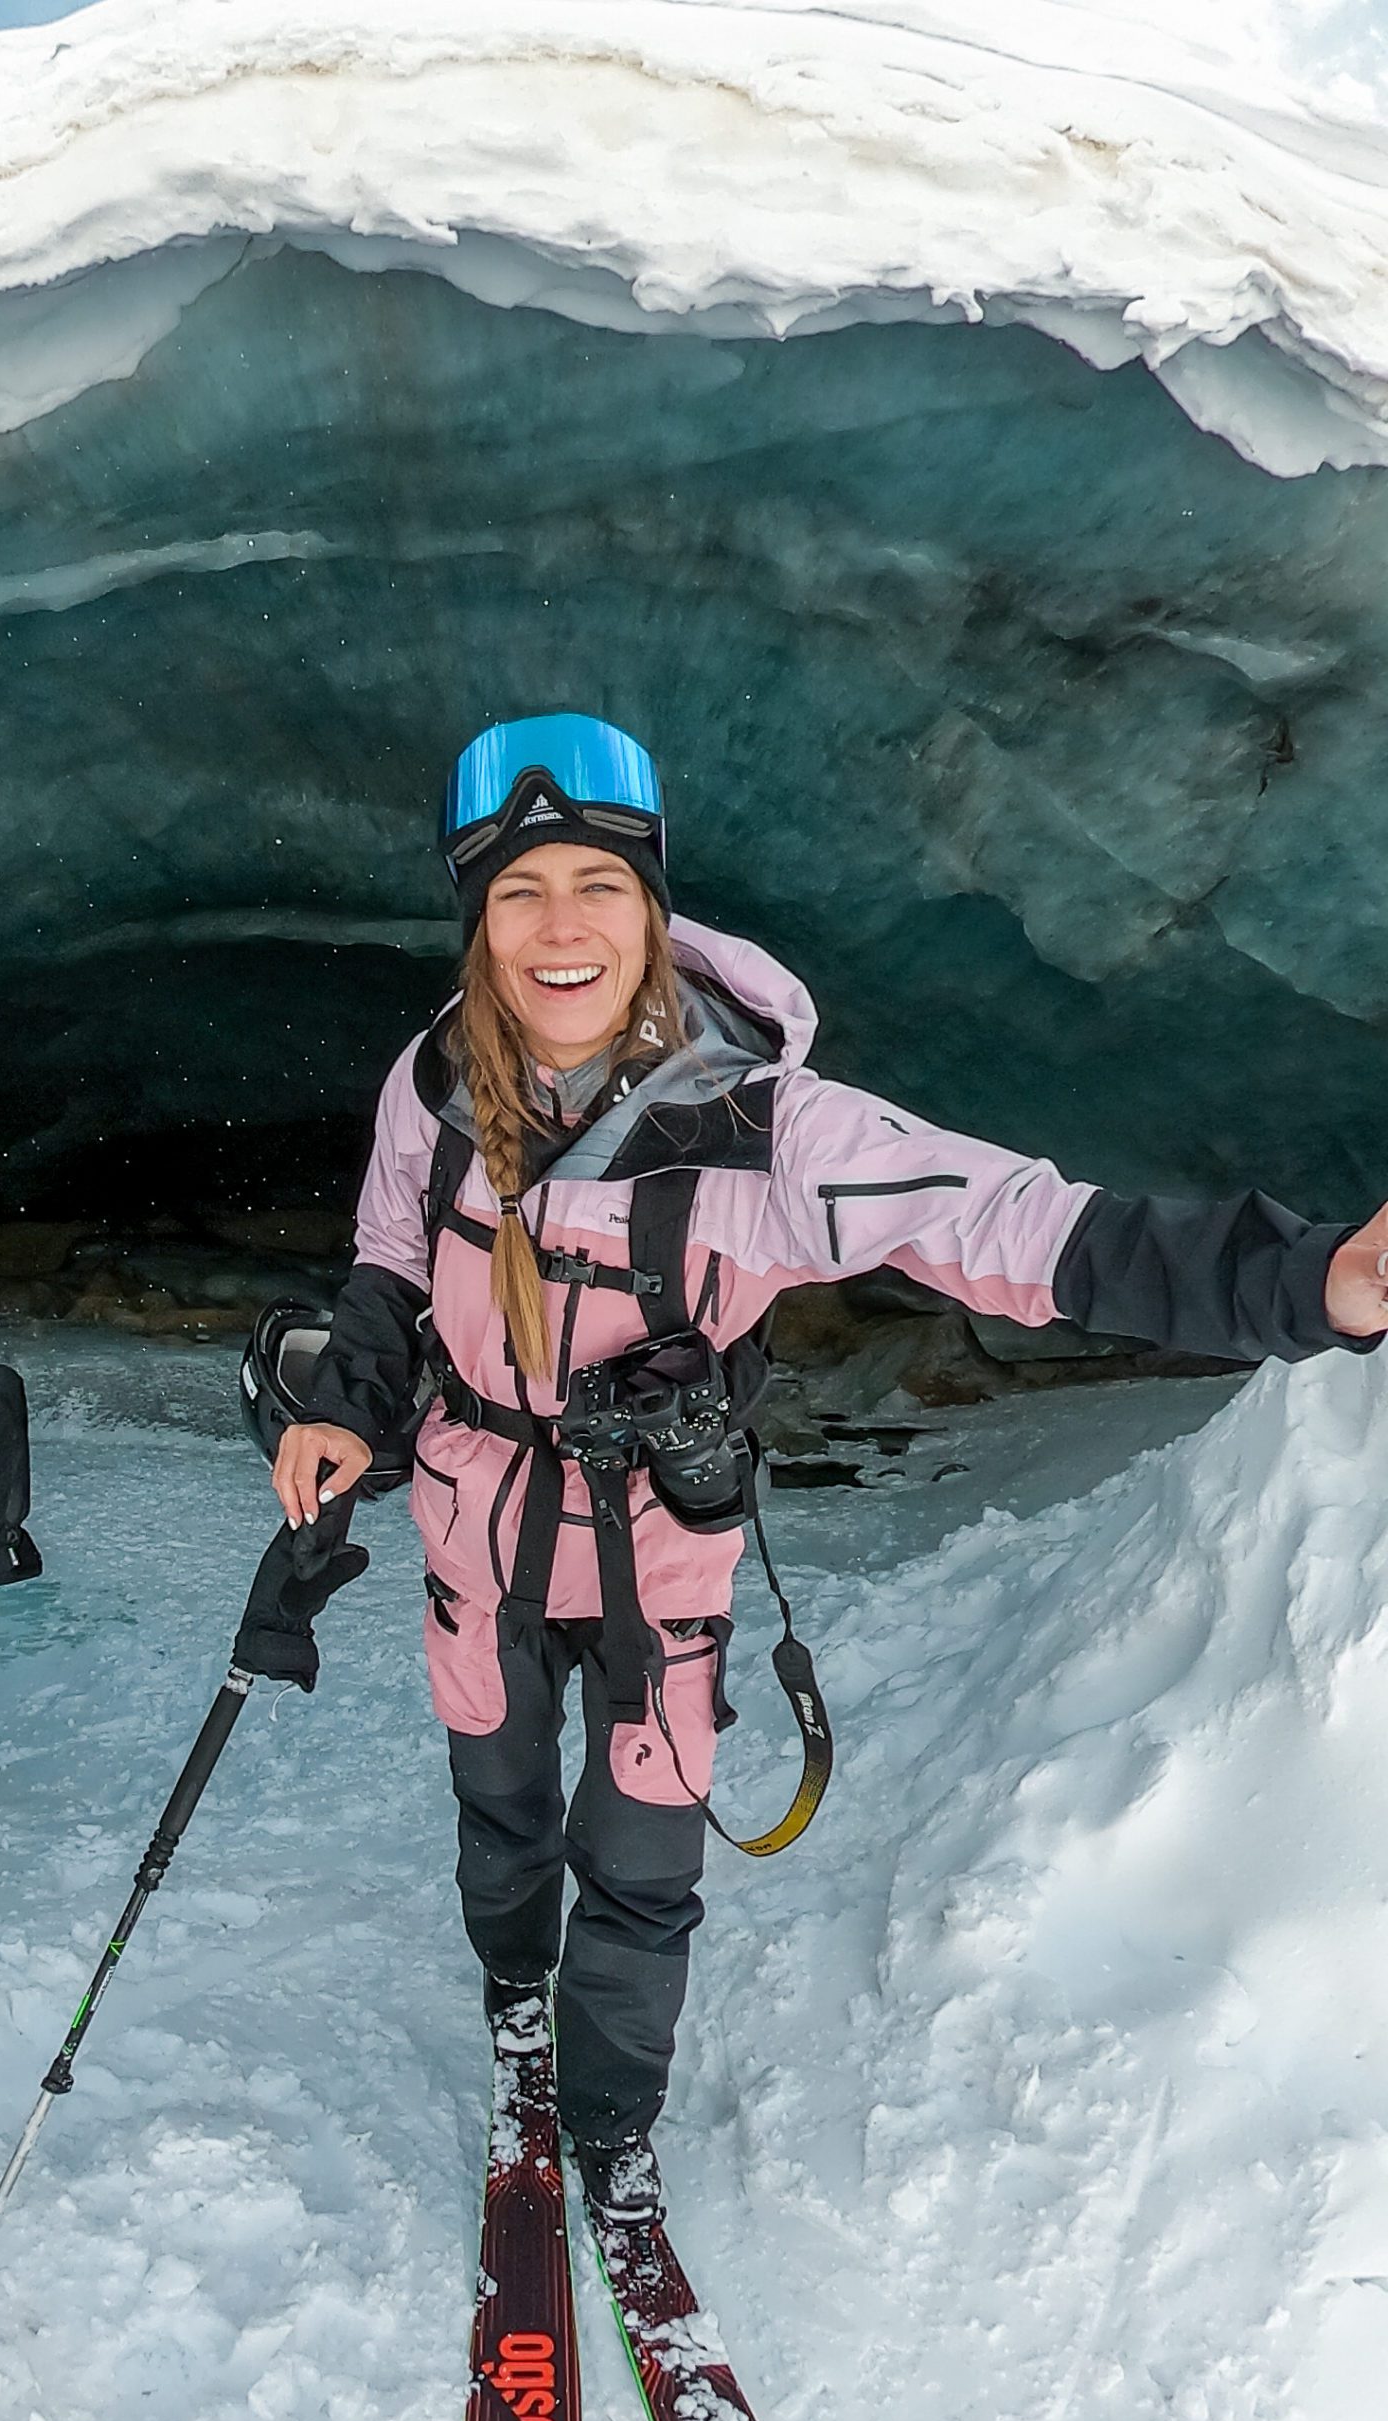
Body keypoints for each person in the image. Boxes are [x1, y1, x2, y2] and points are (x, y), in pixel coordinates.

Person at [270, 711, 1388, 2226]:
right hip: (476, 1532)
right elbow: (393, 1257)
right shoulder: (435, 1083)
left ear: (652, 906)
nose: (561, 928)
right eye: (521, 892)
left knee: (646, 1847)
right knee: (502, 1801)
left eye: (598, 887)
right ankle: (514, 2004)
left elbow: (1015, 1229)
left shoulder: (768, 1131)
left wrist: (1301, 1284)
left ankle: (606, 2128)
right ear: (480, 916)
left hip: (659, 1542)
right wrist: (348, 1400)